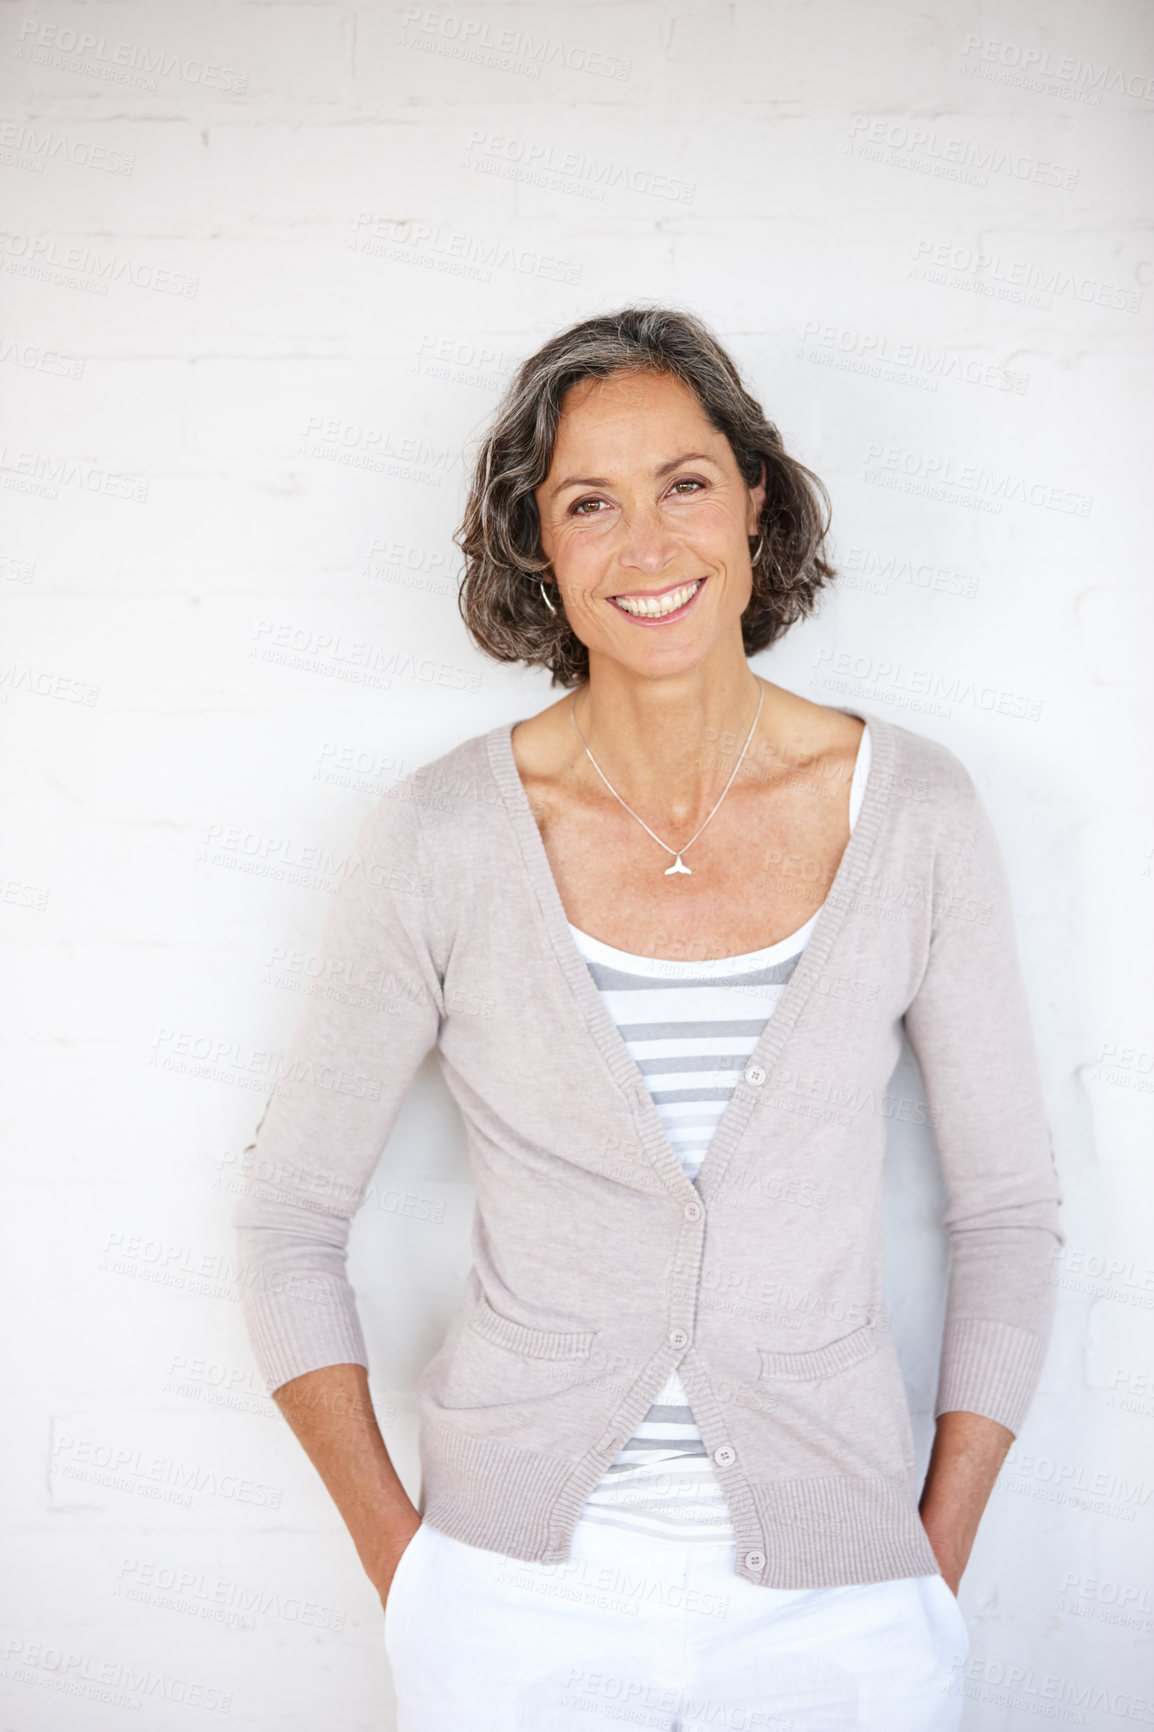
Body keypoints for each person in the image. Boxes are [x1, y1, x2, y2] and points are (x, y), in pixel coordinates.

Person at [234, 306, 1063, 1729]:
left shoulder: (911, 811)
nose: (647, 544)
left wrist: (929, 1562)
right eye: (586, 503)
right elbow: (287, 1220)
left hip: (843, 1602)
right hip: (511, 1599)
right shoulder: (439, 835)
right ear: (538, 550)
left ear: (753, 497)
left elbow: (1006, 1214)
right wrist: (410, 1573)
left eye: (682, 482)